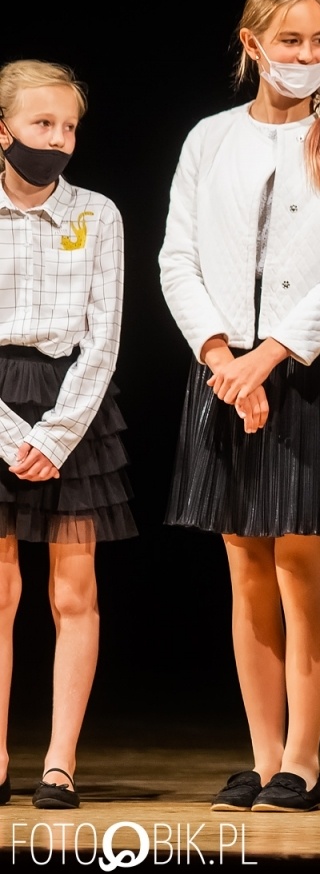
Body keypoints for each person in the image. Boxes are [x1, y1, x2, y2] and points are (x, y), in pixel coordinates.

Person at [158, 0, 320, 814]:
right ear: (253, 44)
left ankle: (303, 760)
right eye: (291, 41)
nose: (307, 54)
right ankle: (261, 758)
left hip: (309, 369)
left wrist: (268, 359)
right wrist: (223, 356)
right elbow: (177, 257)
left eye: (319, 41)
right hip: (221, 369)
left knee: (298, 562)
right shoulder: (210, 138)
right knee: (244, 565)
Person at [0, 61, 132, 810]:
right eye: (41, 123)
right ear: (4, 130)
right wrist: (8, 435)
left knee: (74, 591)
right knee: (0, 591)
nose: (56, 139)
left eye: (69, 127)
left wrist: (55, 436)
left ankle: (59, 761)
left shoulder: (97, 214)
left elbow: (103, 341)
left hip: (72, 406)